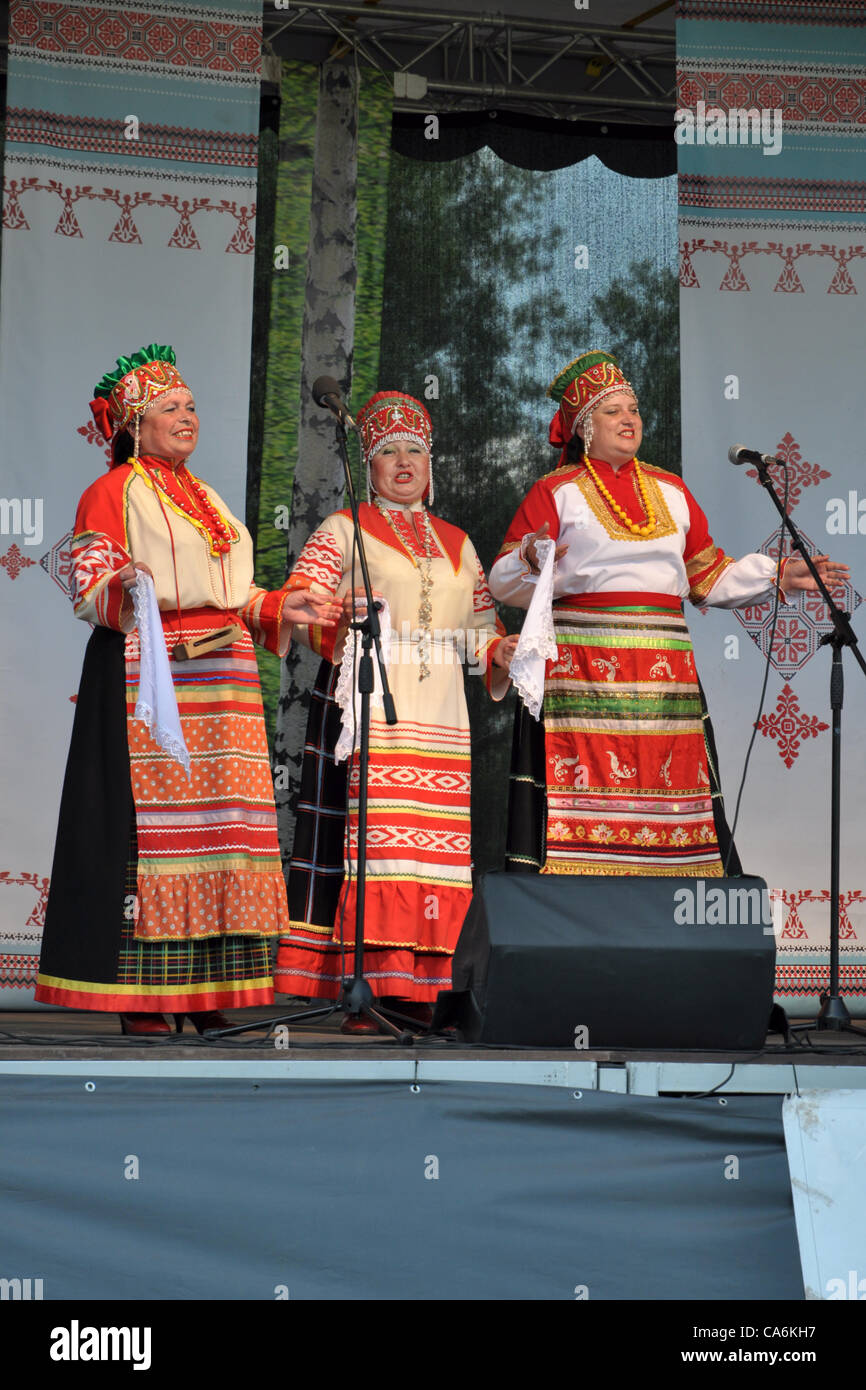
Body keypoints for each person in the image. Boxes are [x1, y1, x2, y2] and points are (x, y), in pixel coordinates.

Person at [35, 344, 338, 1035]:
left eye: (193, 406)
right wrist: (128, 583)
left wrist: (274, 607)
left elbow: (230, 594)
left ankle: (210, 988)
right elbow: (90, 586)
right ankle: (145, 997)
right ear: (134, 426)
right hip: (155, 676)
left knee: (223, 832)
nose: (187, 416)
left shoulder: (207, 497)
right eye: (170, 407)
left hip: (224, 679)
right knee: (156, 835)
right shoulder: (112, 491)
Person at [489, 349, 849, 877]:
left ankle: (674, 903)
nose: (628, 418)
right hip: (581, 670)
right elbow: (502, 580)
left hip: (663, 672)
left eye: (632, 407)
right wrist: (528, 556)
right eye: (611, 410)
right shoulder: (556, 492)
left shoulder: (671, 490)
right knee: (583, 796)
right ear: (583, 426)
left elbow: (706, 577)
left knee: (673, 797)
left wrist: (777, 576)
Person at [274, 391, 517, 1031]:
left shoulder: (460, 542)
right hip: (373, 704)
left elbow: (478, 632)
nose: (402, 462)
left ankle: (427, 988)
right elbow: (300, 607)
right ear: (369, 464)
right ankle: (371, 985)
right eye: (387, 452)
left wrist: (503, 648)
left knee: (433, 849)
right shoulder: (343, 529)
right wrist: (337, 615)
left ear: (431, 465)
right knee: (380, 847)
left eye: (414, 450)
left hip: (442, 712)